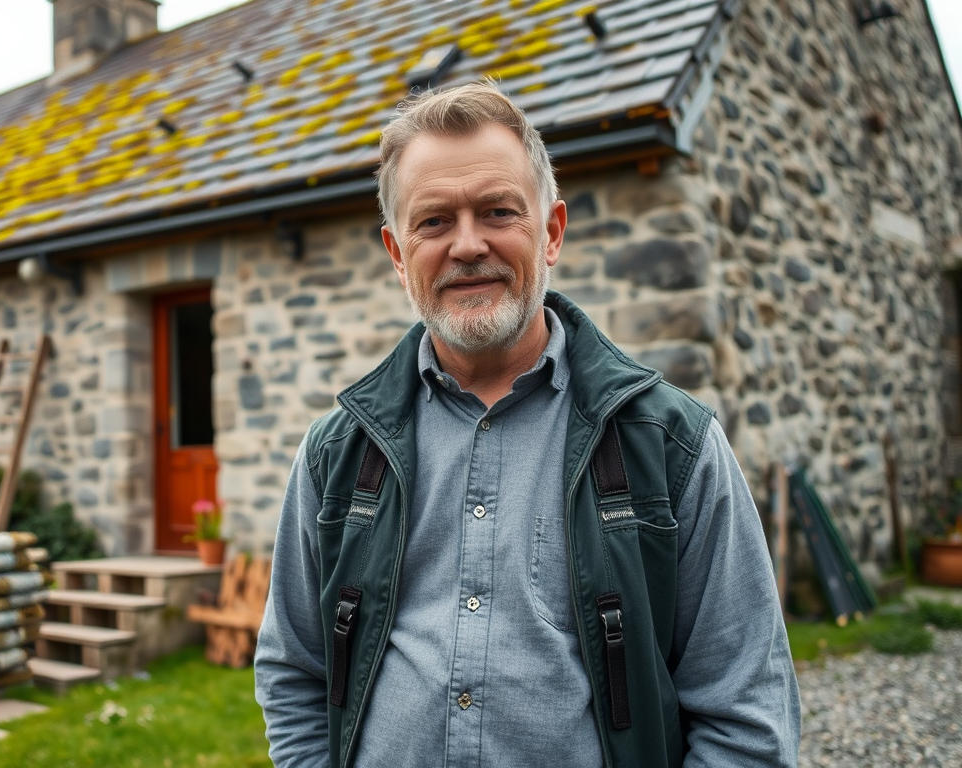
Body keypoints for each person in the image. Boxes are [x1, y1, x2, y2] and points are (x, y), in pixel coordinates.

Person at [254, 82, 800, 768]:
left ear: (551, 233)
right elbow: (294, 673)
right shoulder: (335, 454)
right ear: (398, 254)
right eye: (433, 222)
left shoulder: (673, 446)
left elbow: (745, 718)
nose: (467, 244)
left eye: (498, 211)